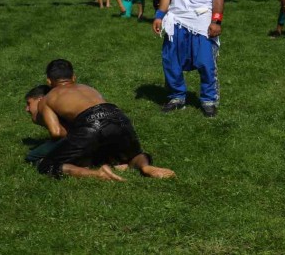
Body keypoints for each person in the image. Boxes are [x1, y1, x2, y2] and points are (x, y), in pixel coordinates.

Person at [23, 60, 175, 181]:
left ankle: (98, 174)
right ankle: (145, 167)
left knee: (47, 165)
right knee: (133, 155)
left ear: (49, 81)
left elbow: (56, 133)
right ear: (73, 77)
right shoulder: (87, 88)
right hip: (118, 116)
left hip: (90, 122)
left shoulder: (48, 98)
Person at [152, 0, 230, 118]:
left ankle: (208, 100)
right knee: (170, 61)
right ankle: (177, 97)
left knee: (205, 62)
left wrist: (216, 21)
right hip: (176, 20)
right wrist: (159, 15)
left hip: (201, 21)